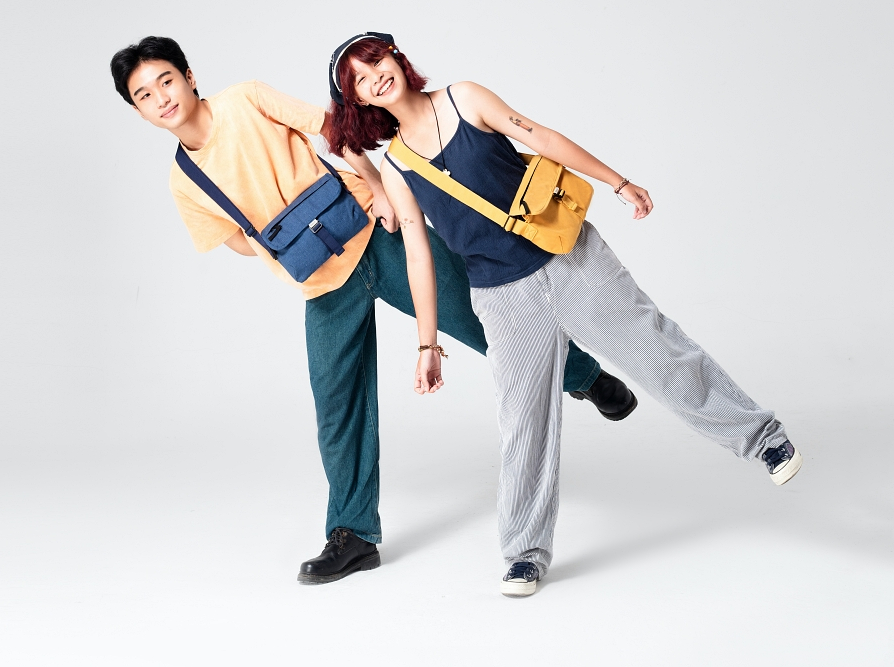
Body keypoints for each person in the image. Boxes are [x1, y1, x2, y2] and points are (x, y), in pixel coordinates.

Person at [109, 35, 638, 586]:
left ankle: (585, 377)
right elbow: (236, 241)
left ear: (189, 77)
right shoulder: (184, 181)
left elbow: (332, 131)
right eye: (144, 95)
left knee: (485, 325)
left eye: (166, 81)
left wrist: (379, 188)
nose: (161, 98)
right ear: (138, 110)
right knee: (336, 401)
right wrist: (284, 242)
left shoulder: (245, 98)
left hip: (376, 231)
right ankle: (354, 536)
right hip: (321, 282)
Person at [325, 31, 803, 598]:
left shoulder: (464, 98)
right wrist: (428, 345)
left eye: (376, 61)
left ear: (396, 58)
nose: (375, 77)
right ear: (358, 100)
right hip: (502, 296)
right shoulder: (398, 166)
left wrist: (618, 182)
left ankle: (762, 437)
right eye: (360, 79)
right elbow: (417, 255)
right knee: (523, 422)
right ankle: (524, 554)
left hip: (569, 256)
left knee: (658, 351)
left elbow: (543, 138)